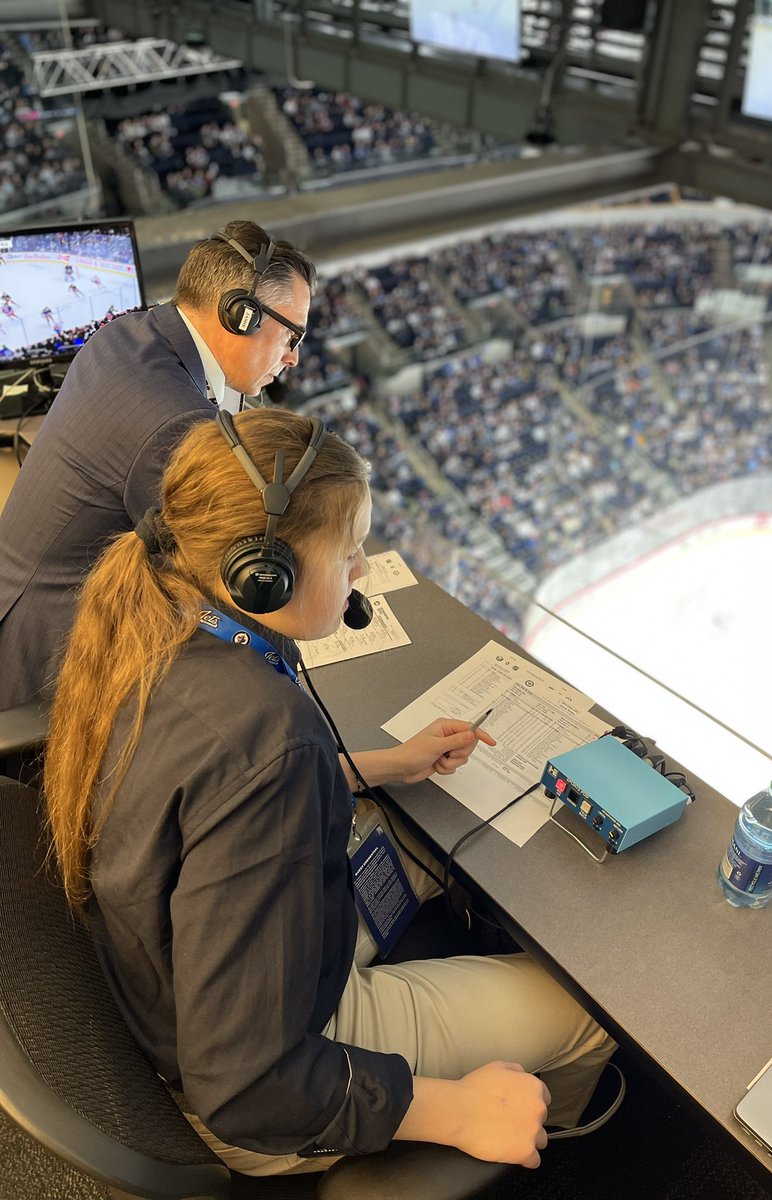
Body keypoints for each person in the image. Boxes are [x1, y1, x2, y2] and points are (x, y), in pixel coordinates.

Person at [43, 408, 616, 1176]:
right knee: (588, 1012)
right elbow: (246, 1084)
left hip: (180, 983)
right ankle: (565, 1154)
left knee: (401, 830)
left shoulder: (150, 613)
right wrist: (454, 1111)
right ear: (263, 572)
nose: (362, 573)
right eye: (348, 554)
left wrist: (389, 764)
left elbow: (215, 805)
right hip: (263, 1089)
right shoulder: (270, 740)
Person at [0, 220, 315, 711]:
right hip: (42, 670)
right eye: (293, 333)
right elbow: (230, 577)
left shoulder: (129, 333)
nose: (293, 357)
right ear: (242, 316)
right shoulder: (177, 423)